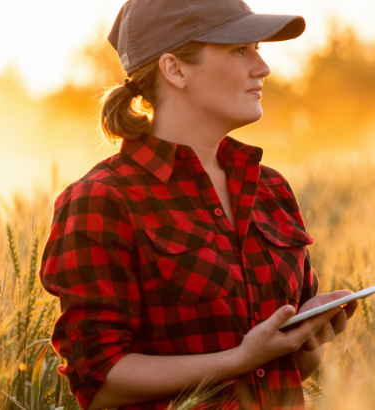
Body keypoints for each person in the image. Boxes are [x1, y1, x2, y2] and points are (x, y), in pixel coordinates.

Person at [37, 1, 358, 409]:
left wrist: (308, 338)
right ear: (175, 69)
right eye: (240, 50)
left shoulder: (270, 188)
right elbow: (100, 382)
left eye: (258, 48)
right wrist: (241, 359)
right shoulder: (103, 200)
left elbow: (284, 372)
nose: (263, 67)